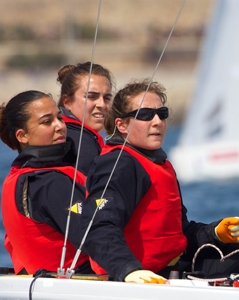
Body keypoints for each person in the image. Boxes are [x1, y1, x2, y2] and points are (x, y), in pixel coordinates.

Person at [82, 79, 239, 283]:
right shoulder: (118, 164)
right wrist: (128, 270)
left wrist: (215, 232)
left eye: (162, 114)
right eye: (146, 115)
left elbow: (178, 233)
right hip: (142, 277)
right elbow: (98, 227)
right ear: (121, 124)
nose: (157, 121)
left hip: (178, 267)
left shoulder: (160, 165)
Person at [0, 90, 92, 275]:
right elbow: (95, 239)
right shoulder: (50, 182)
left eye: (60, 118)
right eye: (47, 121)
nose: (60, 126)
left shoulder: (16, 179)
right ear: (22, 136)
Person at [57, 62, 114, 175]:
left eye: (107, 98)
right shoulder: (81, 143)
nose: (102, 104)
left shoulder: (66, 134)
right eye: (92, 97)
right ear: (67, 102)